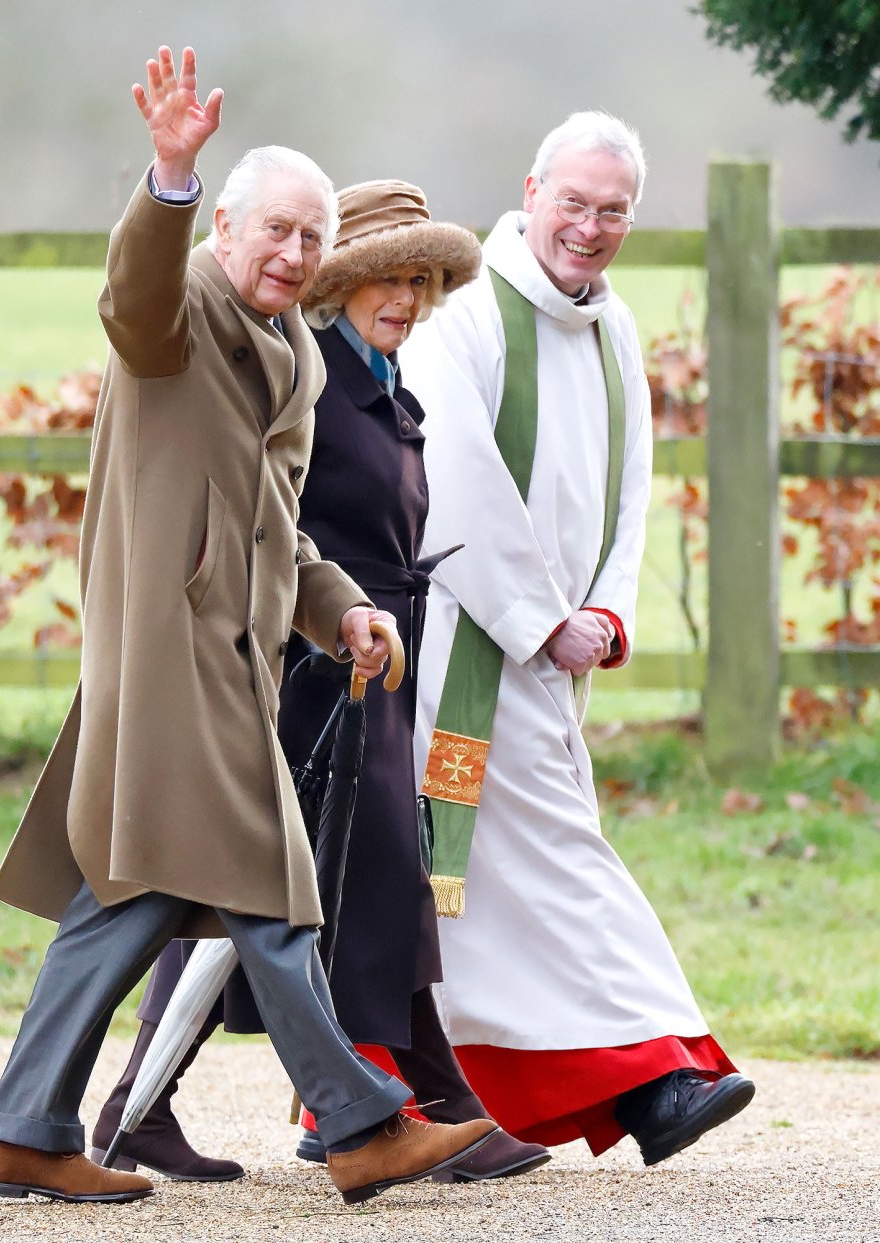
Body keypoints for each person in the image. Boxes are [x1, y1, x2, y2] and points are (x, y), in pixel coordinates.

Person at [0, 46, 497, 1207]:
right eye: (276, 231)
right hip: (172, 656)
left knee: (131, 896)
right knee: (270, 873)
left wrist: (344, 609)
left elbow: (281, 532)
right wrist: (168, 177)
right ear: (226, 231)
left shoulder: (296, 349)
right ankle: (361, 1122)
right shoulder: (180, 315)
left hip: (239, 660)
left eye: (312, 237)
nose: (295, 254)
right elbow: (132, 297)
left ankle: (24, 1131)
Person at [91, 180, 551, 1186]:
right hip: (308, 676)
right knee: (290, 890)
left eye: (424, 279)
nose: (409, 296)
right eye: (388, 275)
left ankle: (155, 1105)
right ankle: (397, 1105)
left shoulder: (383, 378)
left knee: (359, 886)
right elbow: (269, 527)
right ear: (340, 284)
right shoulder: (313, 382)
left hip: (371, 661)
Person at [398, 110, 755, 1167]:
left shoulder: (616, 325)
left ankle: (410, 1098)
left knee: (473, 891)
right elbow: (452, 475)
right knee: (534, 861)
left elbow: (631, 484)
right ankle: (659, 1075)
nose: (591, 229)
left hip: (553, 661)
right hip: (462, 648)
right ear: (532, 189)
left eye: (614, 212)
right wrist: (540, 618)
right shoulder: (464, 313)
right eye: (576, 203)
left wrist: (606, 610)